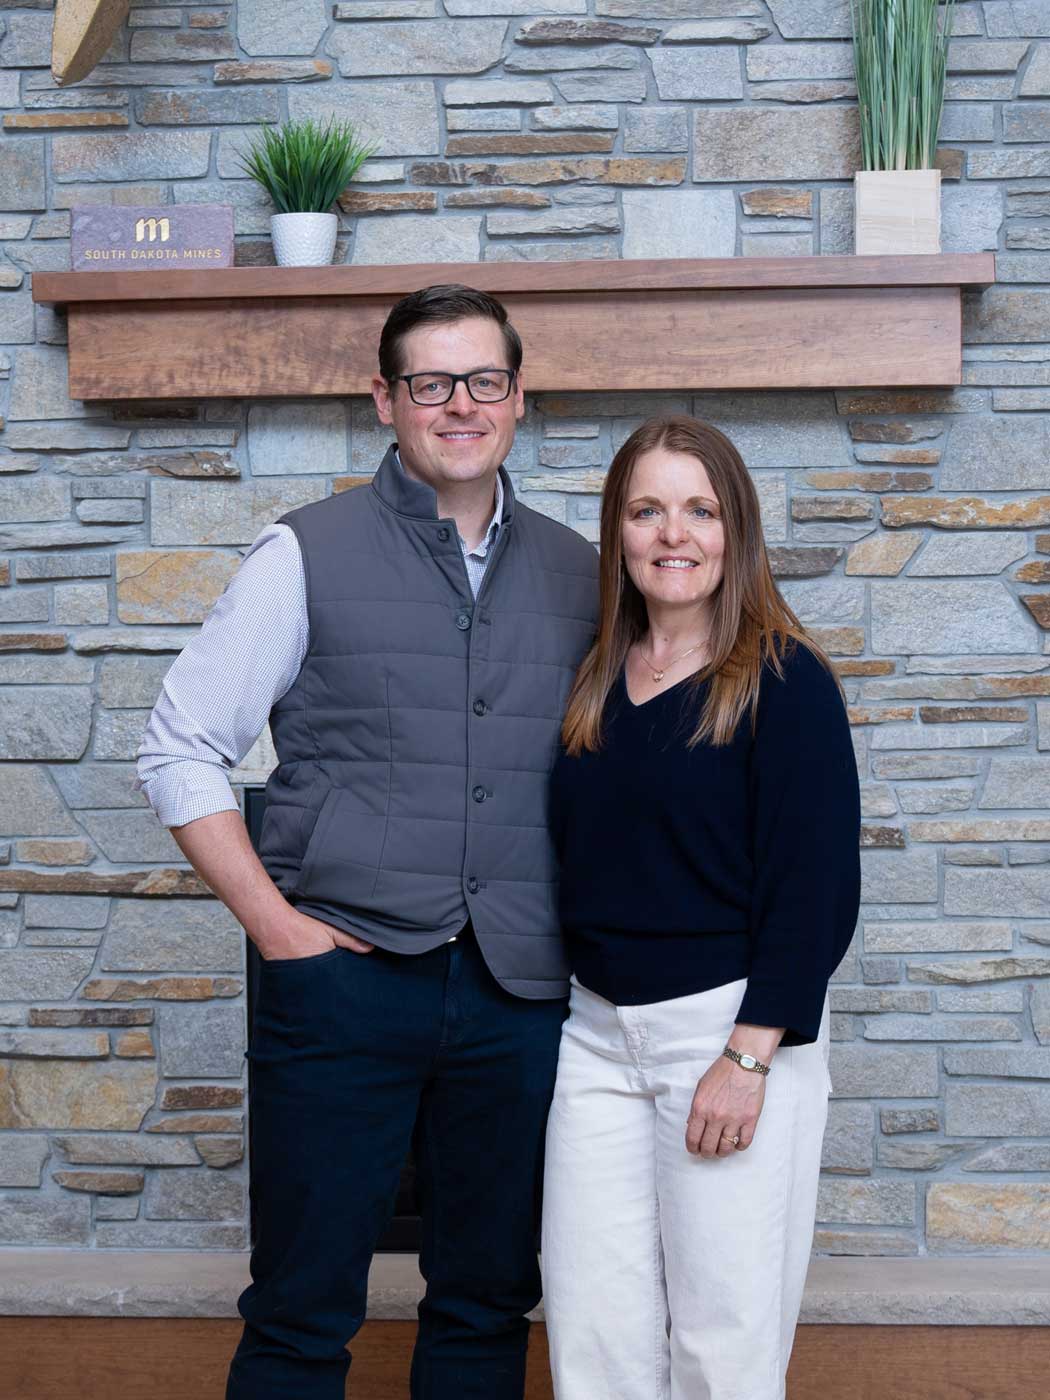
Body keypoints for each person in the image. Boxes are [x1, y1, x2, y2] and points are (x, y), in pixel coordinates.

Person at [135, 284, 599, 1400]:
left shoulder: (584, 573)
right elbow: (180, 746)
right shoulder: (305, 551)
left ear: (519, 398)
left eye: (483, 380)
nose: (459, 404)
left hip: (518, 993)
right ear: (384, 398)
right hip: (342, 982)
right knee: (301, 1308)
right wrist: (274, 926)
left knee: (489, 1300)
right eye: (430, 382)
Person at [541, 415, 860, 1400]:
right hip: (595, 1039)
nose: (673, 533)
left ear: (736, 529)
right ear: (618, 532)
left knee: (721, 1349)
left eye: (699, 508)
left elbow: (817, 889)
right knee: (594, 1339)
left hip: (725, 1037)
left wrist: (747, 1054)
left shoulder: (783, 678)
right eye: (647, 510)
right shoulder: (595, 676)